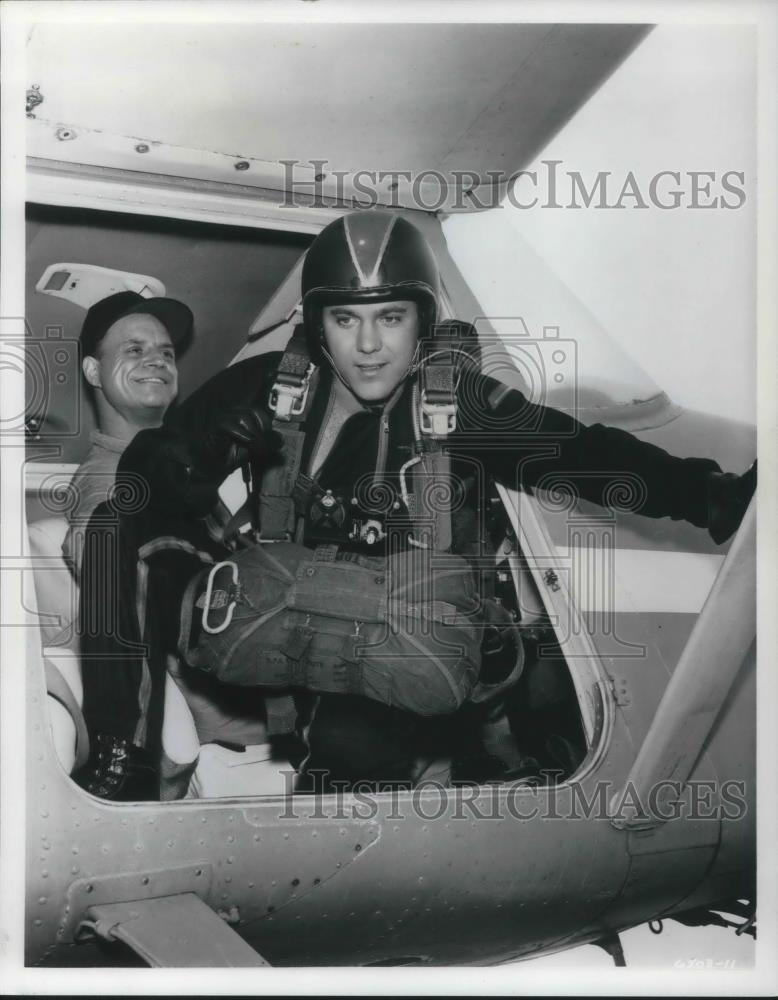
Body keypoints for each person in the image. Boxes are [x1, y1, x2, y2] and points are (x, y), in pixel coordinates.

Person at [75, 210, 756, 798]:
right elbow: (145, 480)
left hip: (395, 649)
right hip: (280, 621)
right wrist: (185, 464)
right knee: (115, 525)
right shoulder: (270, 389)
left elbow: (587, 455)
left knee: (352, 760)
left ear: (420, 321)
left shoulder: (454, 406)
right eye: (346, 319)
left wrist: (719, 498)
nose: (369, 346)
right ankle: (124, 760)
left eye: (389, 318)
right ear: (319, 324)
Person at [62, 290, 192, 575]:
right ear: (94, 372)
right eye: (135, 350)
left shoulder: (175, 463)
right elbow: (97, 560)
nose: (159, 361)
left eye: (166, 352)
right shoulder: (107, 478)